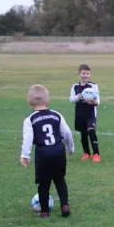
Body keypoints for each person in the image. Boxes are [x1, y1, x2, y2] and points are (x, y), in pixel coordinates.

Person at [20, 84, 74, 218]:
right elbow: (67, 133)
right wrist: (70, 148)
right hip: (58, 150)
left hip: (43, 152)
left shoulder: (30, 119)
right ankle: (65, 205)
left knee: (44, 184)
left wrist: (25, 155)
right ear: (48, 100)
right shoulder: (56, 115)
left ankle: (44, 212)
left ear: (29, 102)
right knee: (60, 180)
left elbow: (28, 138)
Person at [69, 63, 101, 162]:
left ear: (89, 75)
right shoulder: (75, 86)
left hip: (90, 112)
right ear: (79, 74)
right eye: (83, 73)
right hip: (80, 113)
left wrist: (96, 102)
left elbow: (98, 99)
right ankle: (86, 153)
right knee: (83, 133)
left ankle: (96, 154)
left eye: (87, 73)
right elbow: (71, 99)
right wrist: (79, 97)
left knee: (91, 131)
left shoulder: (93, 85)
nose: (85, 75)